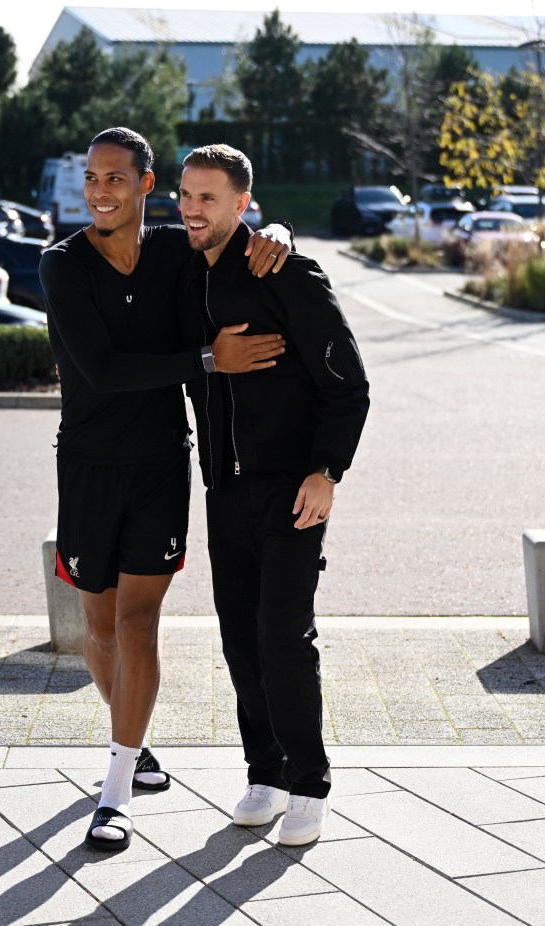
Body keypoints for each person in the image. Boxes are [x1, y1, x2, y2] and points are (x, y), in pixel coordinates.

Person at [38, 127, 294, 852]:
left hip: (159, 466)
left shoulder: (174, 251)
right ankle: (135, 742)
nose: (99, 191)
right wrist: (211, 359)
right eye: (91, 178)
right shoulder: (62, 266)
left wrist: (275, 228)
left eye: (115, 178)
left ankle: (114, 789)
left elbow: (235, 226)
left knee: (137, 624)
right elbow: (103, 370)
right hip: (86, 466)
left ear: (145, 185)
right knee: (98, 624)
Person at [177, 144, 370, 846]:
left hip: (293, 489)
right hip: (223, 489)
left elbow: (350, 387)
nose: (192, 209)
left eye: (208, 198)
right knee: (237, 638)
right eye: (186, 195)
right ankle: (266, 770)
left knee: (282, 635)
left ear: (241, 204)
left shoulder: (286, 271)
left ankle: (310, 783)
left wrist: (326, 472)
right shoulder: (185, 266)